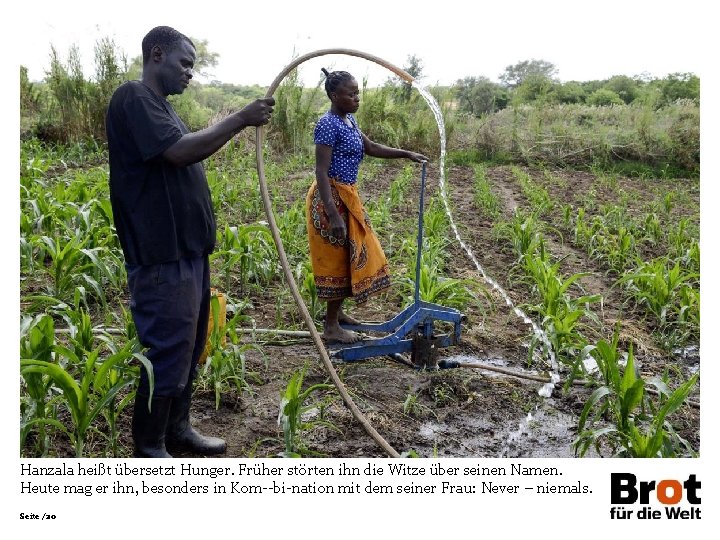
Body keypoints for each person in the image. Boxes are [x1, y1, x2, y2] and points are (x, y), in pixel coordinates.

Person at [106, 26, 274, 458]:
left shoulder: (161, 106)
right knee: (167, 347)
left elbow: (184, 147)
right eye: (185, 64)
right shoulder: (133, 97)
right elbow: (179, 152)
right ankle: (148, 447)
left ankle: (177, 432)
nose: (190, 74)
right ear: (156, 54)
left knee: (189, 345)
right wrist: (239, 118)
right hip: (161, 253)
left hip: (188, 251)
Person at [307, 68, 428, 344]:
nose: (357, 98)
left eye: (358, 93)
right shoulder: (327, 124)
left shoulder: (348, 120)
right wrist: (333, 213)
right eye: (351, 94)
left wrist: (405, 153)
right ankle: (330, 327)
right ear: (334, 96)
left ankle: (337, 315)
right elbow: (321, 171)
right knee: (338, 260)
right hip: (331, 199)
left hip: (348, 196)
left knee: (353, 253)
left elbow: (370, 147)